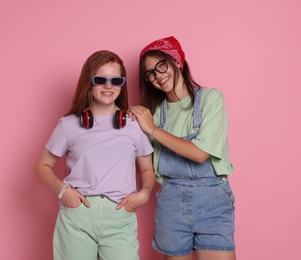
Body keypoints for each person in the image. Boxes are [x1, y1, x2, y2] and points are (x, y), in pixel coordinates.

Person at [35, 50, 156, 260]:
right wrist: (64, 191)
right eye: (101, 79)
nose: (108, 86)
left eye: (116, 80)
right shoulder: (68, 125)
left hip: (120, 216)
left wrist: (144, 193)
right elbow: (42, 166)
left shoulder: (134, 125)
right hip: (77, 215)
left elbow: (147, 169)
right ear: (88, 82)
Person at [129, 36, 236, 260]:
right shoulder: (154, 113)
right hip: (171, 203)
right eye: (150, 73)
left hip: (212, 201)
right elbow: (142, 160)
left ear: (177, 61)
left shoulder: (210, 99)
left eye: (161, 65)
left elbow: (199, 154)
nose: (158, 75)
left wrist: (153, 129)